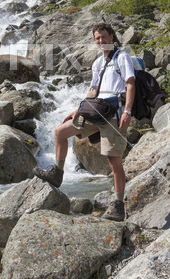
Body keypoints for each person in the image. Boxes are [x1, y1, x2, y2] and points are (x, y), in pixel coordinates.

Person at [33, 22, 136, 222]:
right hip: (94, 109)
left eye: (104, 37)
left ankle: (118, 205)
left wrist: (128, 111)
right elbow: (92, 91)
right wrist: (77, 110)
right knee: (60, 131)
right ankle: (57, 173)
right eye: (97, 38)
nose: (101, 41)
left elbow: (130, 84)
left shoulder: (122, 57)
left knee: (113, 161)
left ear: (111, 37)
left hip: (113, 114)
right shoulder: (97, 63)